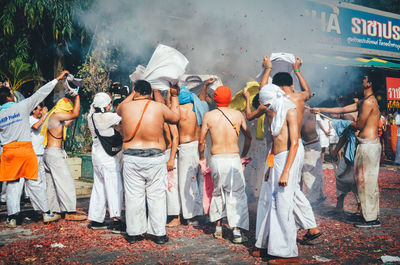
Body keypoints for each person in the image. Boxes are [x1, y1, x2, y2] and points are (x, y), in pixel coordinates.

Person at [313, 70, 382, 228]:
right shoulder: (365, 101)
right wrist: (321, 109)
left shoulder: (368, 102)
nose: (362, 80)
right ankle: (368, 215)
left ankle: (371, 219)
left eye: (365, 78)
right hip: (366, 145)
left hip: (368, 146)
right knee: (363, 182)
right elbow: (342, 110)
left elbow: (359, 125)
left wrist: (339, 123)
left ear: (369, 83)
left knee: (366, 183)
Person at [0, 71, 68, 227]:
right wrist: (56, 79)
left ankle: (12, 217)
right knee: (35, 183)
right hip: (25, 151)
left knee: (12, 185)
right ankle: (46, 213)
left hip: (8, 152)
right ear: (9, 97)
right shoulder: (22, 107)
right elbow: (40, 93)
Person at [117, 80, 180, 244]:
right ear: (150, 93)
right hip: (155, 157)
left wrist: (132, 92)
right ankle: (159, 234)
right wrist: (174, 96)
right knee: (157, 196)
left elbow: (117, 110)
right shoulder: (158, 107)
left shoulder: (125, 107)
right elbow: (176, 117)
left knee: (133, 196)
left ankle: (133, 233)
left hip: (132, 156)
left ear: (134, 91)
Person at [199, 85, 252, 244]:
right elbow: (248, 137)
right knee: (236, 194)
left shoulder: (208, 116)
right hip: (233, 158)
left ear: (215, 99)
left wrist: (202, 157)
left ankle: (219, 229)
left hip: (216, 158)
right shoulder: (238, 114)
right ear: (229, 99)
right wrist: (242, 154)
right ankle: (236, 232)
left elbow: (201, 141)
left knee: (217, 191)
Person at [255, 83, 299, 263]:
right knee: (268, 202)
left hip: (288, 160)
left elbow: (294, 143)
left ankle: (289, 253)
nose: (267, 107)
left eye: (267, 103)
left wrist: (286, 172)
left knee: (283, 205)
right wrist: (270, 166)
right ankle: (268, 245)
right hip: (276, 160)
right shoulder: (276, 110)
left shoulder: (290, 110)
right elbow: (275, 141)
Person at [41, 92, 86, 221]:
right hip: (55, 154)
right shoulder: (57, 115)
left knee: (53, 185)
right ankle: (70, 211)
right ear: (65, 110)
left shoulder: (53, 116)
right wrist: (77, 96)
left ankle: (54, 211)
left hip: (48, 153)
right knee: (67, 183)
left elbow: (68, 121)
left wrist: (73, 99)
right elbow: (75, 114)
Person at [177, 78, 215, 225]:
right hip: (200, 147)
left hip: (186, 148)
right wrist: (205, 85)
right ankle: (204, 212)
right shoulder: (201, 107)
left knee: (188, 182)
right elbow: (201, 99)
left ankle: (192, 216)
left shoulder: (178, 111)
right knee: (201, 179)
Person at [87, 92, 124, 232]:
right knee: (114, 188)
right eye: (109, 103)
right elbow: (123, 116)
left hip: (96, 156)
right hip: (108, 159)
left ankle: (96, 219)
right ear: (106, 106)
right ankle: (116, 220)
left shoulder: (90, 116)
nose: (111, 106)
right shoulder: (108, 117)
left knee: (99, 188)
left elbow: (93, 107)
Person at [154, 89, 181, 227]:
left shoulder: (168, 117)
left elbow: (175, 137)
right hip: (162, 155)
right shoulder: (157, 116)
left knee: (171, 187)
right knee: (164, 187)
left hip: (170, 154)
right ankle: (167, 214)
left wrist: (171, 158)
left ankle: (176, 216)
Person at [300, 109, 326, 207]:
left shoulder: (305, 112)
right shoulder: (305, 111)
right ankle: (319, 196)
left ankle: (312, 200)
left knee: (309, 174)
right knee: (315, 172)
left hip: (311, 146)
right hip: (310, 145)